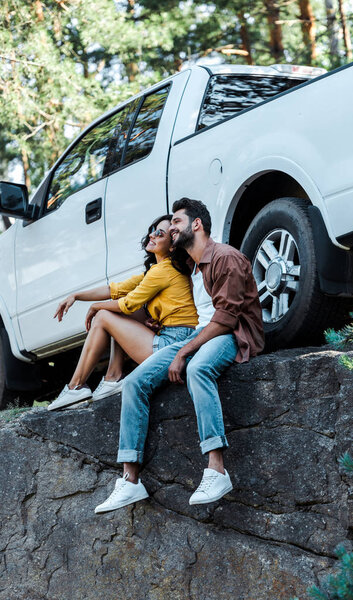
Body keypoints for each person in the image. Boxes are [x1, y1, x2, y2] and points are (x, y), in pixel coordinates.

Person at [95, 198, 264, 513]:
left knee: (198, 368)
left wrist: (183, 352)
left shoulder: (225, 257)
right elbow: (163, 296)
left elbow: (225, 320)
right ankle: (130, 481)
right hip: (200, 334)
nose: (171, 228)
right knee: (134, 383)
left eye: (176, 222)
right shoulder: (190, 264)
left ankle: (216, 469)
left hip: (231, 335)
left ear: (196, 224)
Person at [47, 214, 198, 411]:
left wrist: (96, 307)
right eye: (153, 230)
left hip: (173, 346)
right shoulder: (158, 270)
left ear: (171, 246)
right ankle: (112, 378)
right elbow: (115, 289)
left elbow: (127, 304)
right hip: (178, 339)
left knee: (104, 316)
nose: (152, 235)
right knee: (117, 314)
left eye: (159, 233)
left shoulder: (163, 271)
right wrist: (75, 296)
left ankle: (76, 386)